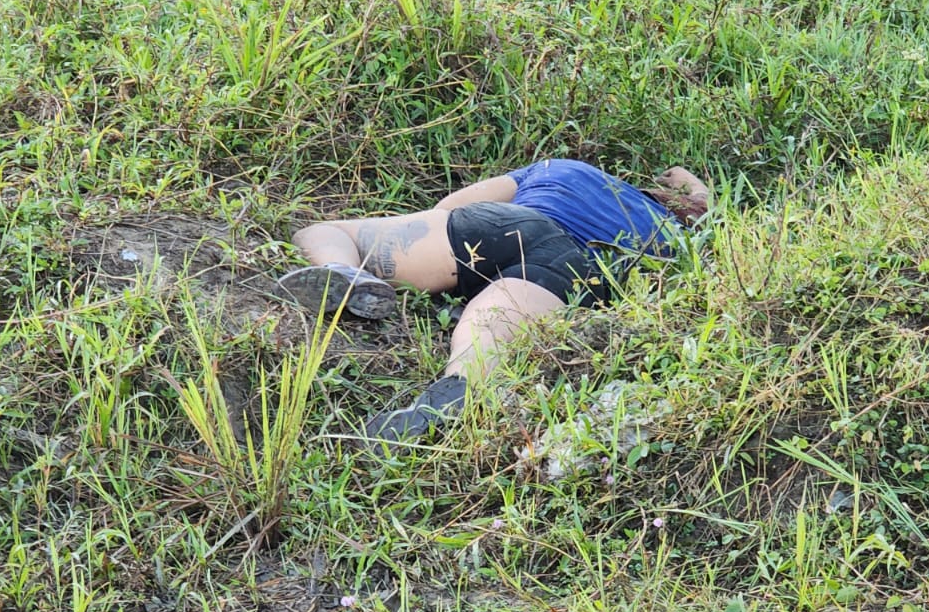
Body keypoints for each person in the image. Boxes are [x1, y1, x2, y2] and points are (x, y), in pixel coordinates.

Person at [276, 157, 710, 444]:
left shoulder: (563, 168)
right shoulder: (676, 234)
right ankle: (459, 385)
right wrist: (696, 191)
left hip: (515, 223)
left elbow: (450, 204)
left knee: (328, 232)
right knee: (490, 325)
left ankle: (342, 269)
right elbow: (708, 211)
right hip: (583, 267)